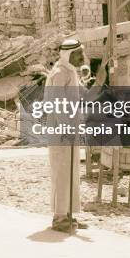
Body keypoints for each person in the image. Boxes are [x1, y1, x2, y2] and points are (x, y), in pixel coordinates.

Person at [44, 38, 89, 233]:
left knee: (71, 171)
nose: (82, 57)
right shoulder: (60, 73)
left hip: (70, 128)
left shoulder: (69, 71)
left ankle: (69, 213)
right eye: (78, 54)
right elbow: (57, 104)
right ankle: (59, 217)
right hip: (61, 130)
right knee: (61, 171)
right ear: (68, 54)